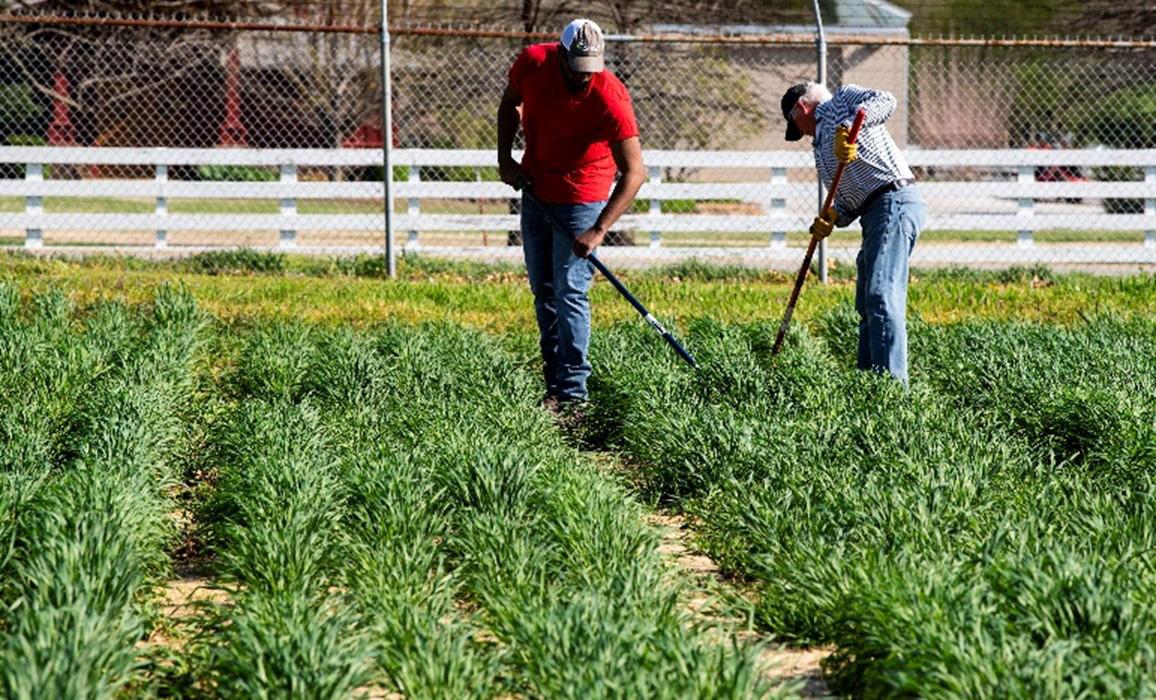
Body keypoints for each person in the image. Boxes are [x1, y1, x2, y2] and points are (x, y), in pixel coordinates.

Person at [497, 18, 645, 409]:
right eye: (577, 68)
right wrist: (505, 160)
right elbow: (508, 103)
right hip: (536, 189)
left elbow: (635, 172)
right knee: (543, 290)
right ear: (560, 54)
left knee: (570, 291)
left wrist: (599, 230)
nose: (584, 79)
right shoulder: (532, 63)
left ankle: (573, 392)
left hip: (584, 199)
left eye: (591, 70)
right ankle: (554, 382)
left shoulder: (610, 96)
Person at [781, 82, 926, 384]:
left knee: (881, 295)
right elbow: (849, 200)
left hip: (894, 201)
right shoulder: (820, 150)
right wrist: (834, 215)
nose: (801, 133)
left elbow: (887, 98)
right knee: (867, 302)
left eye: (796, 124)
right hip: (873, 215)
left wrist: (847, 128)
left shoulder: (842, 101)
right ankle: (868, 381)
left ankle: (891, 389)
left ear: (801, 109)